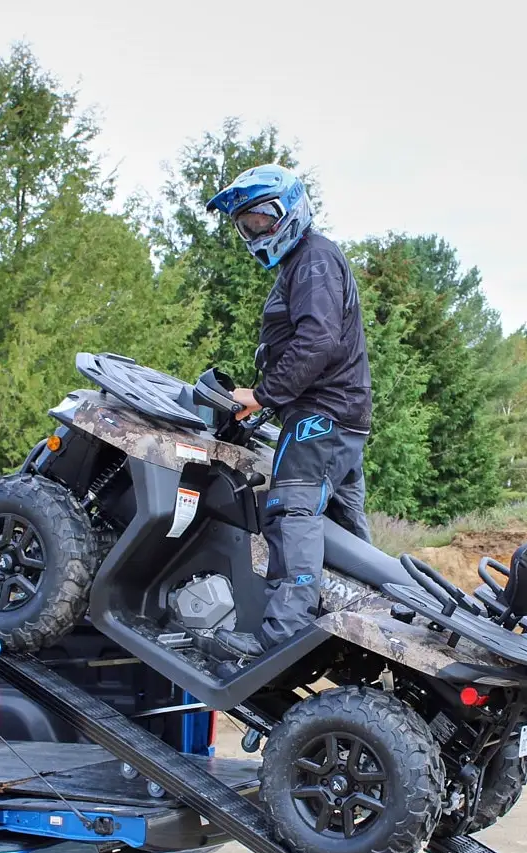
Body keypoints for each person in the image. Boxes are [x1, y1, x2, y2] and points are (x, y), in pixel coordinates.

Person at [204, 164, 373, 661]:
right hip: (338, 416)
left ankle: (282, 635)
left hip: (321, 414)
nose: (257, 231)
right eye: (247, 225)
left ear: (291, 210)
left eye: (263, 218)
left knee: (290, 512)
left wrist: (261, 394)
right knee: (345, 534)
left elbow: (318, 339)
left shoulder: (314, 261)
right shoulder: (308, 262)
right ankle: (360, 626)